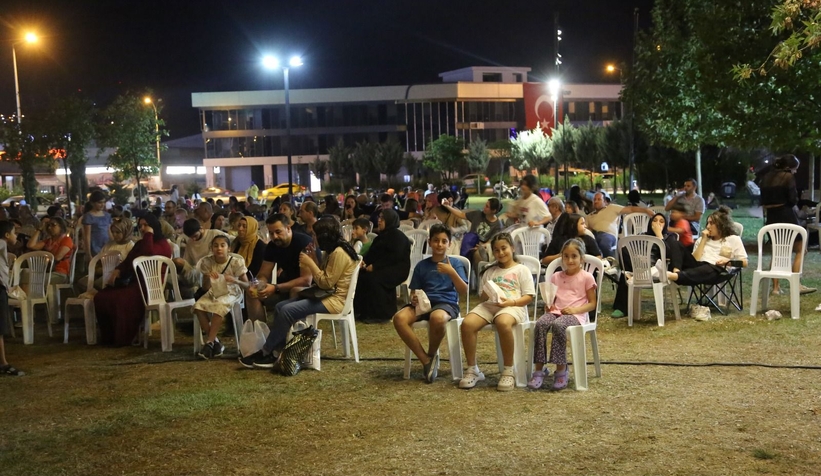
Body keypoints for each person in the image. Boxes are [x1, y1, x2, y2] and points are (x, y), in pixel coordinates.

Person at [240, 217, 359, 368]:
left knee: (287, 310)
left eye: (315, 234)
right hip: (327, 295)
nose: (313, 237)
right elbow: (325, 275)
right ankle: (277, 351)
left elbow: (325, 282)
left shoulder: (339, 253)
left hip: (335, 300)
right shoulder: (332, 251)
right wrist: (315, 259)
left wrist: (309, 262)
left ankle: (266, 351)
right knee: (280, 306)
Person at [458, 233, 535, 391]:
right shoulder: (489, 271)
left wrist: (511, 302)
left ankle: (508, 370)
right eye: (496, 250)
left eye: (504, 248)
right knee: (467, 324)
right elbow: (482, 298)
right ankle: (473, 369)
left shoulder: (522, 269)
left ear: (512, 248)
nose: (501, 253)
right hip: (490, 305)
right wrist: (487, 292)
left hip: (514, 305)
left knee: (502, 322)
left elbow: (528, 297)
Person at [392, 224, 468, 383]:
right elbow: (414, 291)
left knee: (437, 318)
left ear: (449, 244)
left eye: (444, 241)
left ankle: (431, 354)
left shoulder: (455, 264)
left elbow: (463, 290)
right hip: (424, 303)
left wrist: (451, 272)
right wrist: (414, 298)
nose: (439, 244)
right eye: (436, 240)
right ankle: (426, 360)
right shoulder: (422, 265)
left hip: (446, 303)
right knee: (399, 318)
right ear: (429, 242)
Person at [529, 238, 597, 390]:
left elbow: (592, 304)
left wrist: (575, 310)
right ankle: (539, 369)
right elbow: (553, 300)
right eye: (566, 256)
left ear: (582, 258)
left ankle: (561, 369)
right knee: (541, 324)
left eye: (574, 256)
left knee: (559, 325)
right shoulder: (556, 276)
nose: (570, 260)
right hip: (557, 311)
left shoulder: (587, 277)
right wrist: (549, 305)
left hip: (576, 315)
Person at [94, 214, 172, 346]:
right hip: (134, 282)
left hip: (150, 285)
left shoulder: (163, 244)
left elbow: (148, 254)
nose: (142, 228)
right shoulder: (141, 243)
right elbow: (129, 260)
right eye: (140, 225)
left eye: (146, 225)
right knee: (102, 297)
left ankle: (123, 338)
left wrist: (148, 235)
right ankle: (109, 338)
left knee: (120, 299)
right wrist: (118, 270)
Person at [659, 207, 748, 318]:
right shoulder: (702, 239)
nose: (708, 226)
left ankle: (674, 276)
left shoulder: (733, 239)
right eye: (708, 223)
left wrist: (729, 262)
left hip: (717, 269)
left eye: (712, 223)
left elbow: (744, 263)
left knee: (709, 267)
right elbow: (695, 259)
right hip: (697, 267)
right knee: (675, 243)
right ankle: (676, 271)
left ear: (721, 225)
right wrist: (704, 240)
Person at [757, 154, 816, 295]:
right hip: (786, 215)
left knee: (777, 252)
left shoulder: (766, 177)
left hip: (771, 217)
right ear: (789, 168)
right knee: (801, 249)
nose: (795, 172)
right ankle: (797, 284)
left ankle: (776, 288)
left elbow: (762, 199)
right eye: (795, 169)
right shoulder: (788, 177)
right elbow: (793, 199)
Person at [245, 213, 313, 322]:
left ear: (288, 228)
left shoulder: (304, 243)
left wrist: (275, 287)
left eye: (278, 232)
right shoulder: (272, 246)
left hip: (309, 290)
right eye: (271, 233)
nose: (275, 237)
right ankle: (261, 332)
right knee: (252, 294)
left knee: (295, 291)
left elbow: (306, 280)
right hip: (283, 287)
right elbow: (264, 273)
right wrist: (260, 284)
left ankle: (293, 334)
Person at [194, 235, 248, 359]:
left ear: (228, 248)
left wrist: (235, 280)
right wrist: (208, 278)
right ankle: (216, 342)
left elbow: (247, 284)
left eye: (222, 245)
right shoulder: (208, 262)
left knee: (219, 306)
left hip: (232, 291)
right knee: (198, 307)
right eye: (215, 246)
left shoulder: (236, 262)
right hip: (215, 291)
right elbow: (206, 288)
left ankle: (209, 343)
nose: (219, 248)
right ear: (211, 248)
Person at [355, 209, 411, 323]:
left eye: (382, 219)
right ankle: (362, 312)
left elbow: (394, 257)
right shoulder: (381, 237)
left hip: (397, 269)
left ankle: (381, 315)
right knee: (360, 276)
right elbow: (372, 253)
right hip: (383, 267)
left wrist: (375, 266)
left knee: (373, 279)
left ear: (390, 220)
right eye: (379, 218)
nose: (379, 221)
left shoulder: (397, 237)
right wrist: (364, 262)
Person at [586, 192, 654, 258]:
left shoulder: (611, 208)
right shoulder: (589, 216)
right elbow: (585, 228)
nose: (596, 201)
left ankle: (609, 263)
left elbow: (630, 209)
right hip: (594, 235)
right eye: (594, 199)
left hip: (608, 234)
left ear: (605, 201)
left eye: (599, 199)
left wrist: (646, 210)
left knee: (604, 243)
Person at [173, 219, 229, 298]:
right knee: (177, 262)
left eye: (195, 236)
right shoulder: (190, 242)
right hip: (197, 270)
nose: (194, 239)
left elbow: (232, 241)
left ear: (201, 229)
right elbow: (188, 262)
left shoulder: (215, 234)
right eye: (191, 237)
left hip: (214, 269)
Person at [0, 221, 24, 375]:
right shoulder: (1, 244)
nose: (16, 236)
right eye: (14, 232)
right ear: (7, 235)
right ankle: (3, 364)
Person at [25, 217, 74, 288]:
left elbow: (57, 257)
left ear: (61, 226)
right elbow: (30, 245)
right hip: (46, 271)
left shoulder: (66, 240)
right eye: (48, 225)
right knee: (24, 273)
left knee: (28, 279)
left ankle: (33, 297)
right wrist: (39, 229)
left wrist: (43, 257)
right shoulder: (48, 241)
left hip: (59, 273)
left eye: (53, 225)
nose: (50, 228)